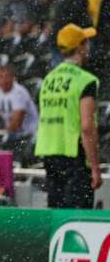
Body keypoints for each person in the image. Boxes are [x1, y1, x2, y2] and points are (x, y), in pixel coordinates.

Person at [35, 24, 102, 208]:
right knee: (77, 218)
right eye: (86, 42)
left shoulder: (48, 80)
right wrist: (95, 167)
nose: (88, 47)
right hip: (74, 156)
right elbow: (87, 127)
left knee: (57, 216)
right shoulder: (85, 80)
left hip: (50, 153)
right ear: (80, 47)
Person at [0, 64, 39, 138]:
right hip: (13, 133)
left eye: (6, 76)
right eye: (0, 77)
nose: (3, 80)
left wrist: (3, 135)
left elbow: (17, 121)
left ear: (13, 77)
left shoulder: (19, 92)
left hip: (28, 134)